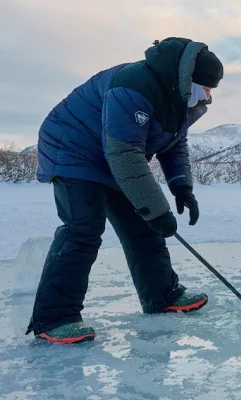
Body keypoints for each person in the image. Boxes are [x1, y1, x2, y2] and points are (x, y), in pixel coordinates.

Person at [27, 37, 224, 344]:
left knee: (144, 228)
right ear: (186, 79)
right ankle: (54, 317)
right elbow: (125, 154)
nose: (209, 96)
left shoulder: (184, 99)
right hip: (73, 149)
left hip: (114, 155)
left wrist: (181, 186)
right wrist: (158, 210)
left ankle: (162, 296)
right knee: (84, 228)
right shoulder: (133, 86)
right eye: (206, 87)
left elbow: (174, 143)